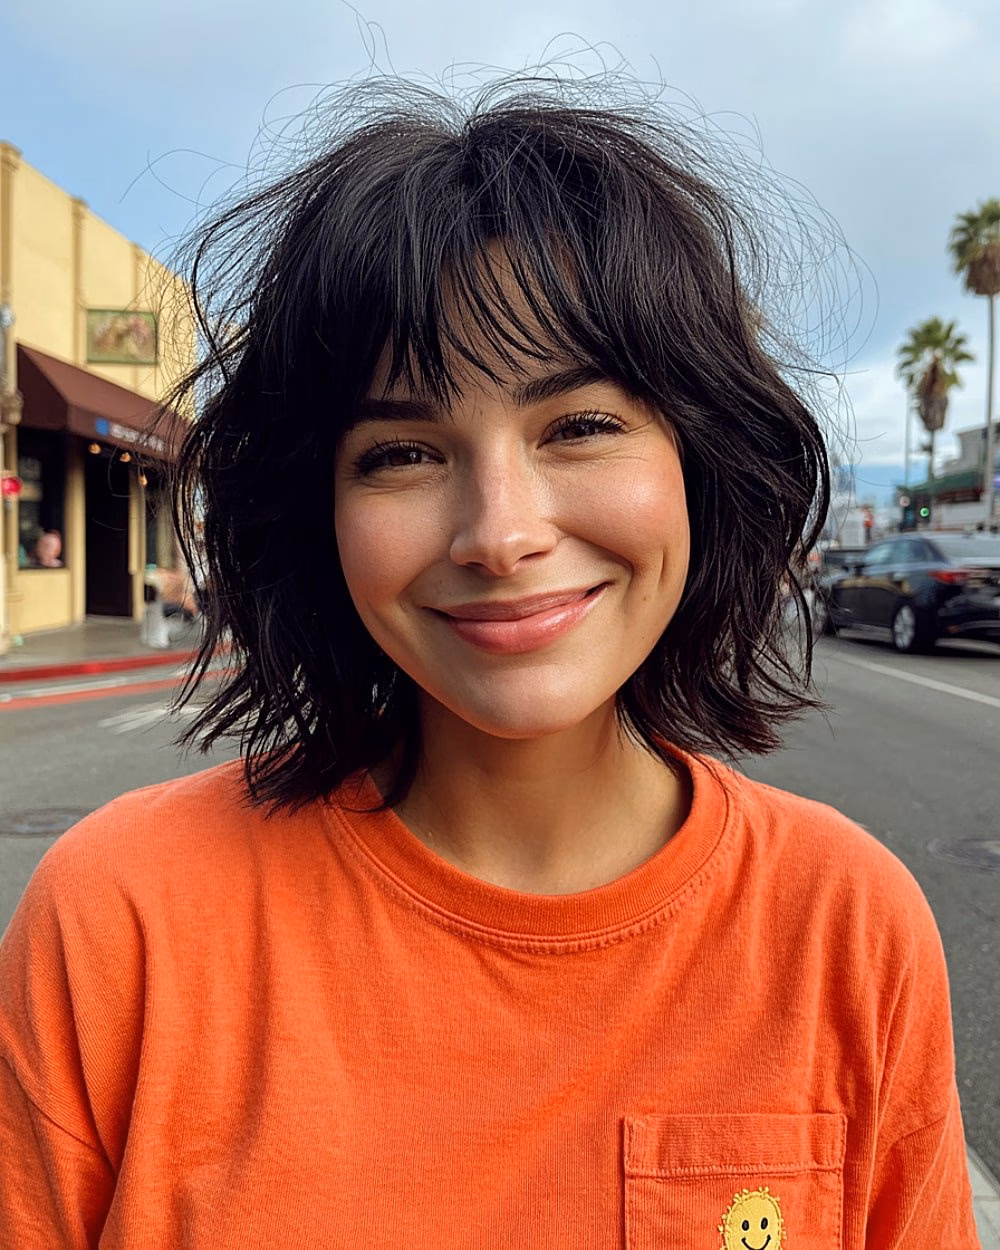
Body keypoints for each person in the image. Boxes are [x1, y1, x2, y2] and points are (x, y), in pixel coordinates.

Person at [0, 76, 981, 1248]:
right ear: (318, 514)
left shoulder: (847, 925)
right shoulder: (121, 921)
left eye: (578, 425)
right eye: (404, 450)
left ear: (701, 461)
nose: (500, 532)